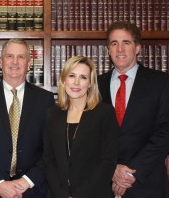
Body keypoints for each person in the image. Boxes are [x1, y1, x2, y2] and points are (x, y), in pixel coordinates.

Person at [0, 39, 55, 198]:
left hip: (32, 190)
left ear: (29, 64)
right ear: (1, 62)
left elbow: (50, 148)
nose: (15, 62)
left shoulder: (45, 100)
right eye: (9, 56)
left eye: (21, 57)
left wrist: (26, 181)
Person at [98, 21, 169, 197]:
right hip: (102, 185)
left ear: (138, 47)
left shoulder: (162, 83)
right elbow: (87, 136)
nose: (120, 49)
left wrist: (131, 173)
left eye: (126, 43)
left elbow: (168, 131)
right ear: (108, 49)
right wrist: (112, 169)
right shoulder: (95, 85)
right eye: (114, 44)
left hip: (147, 183)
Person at [43, 56, 118, 198]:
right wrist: (61, 194)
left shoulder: (104, 113)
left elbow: (108, 161)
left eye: (83, 77)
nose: (76, 82)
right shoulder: (52, 113)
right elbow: (48, 159)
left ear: (90, 83)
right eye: (71, 76)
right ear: (64, 80)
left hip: (94, 194)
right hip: (58, 194)